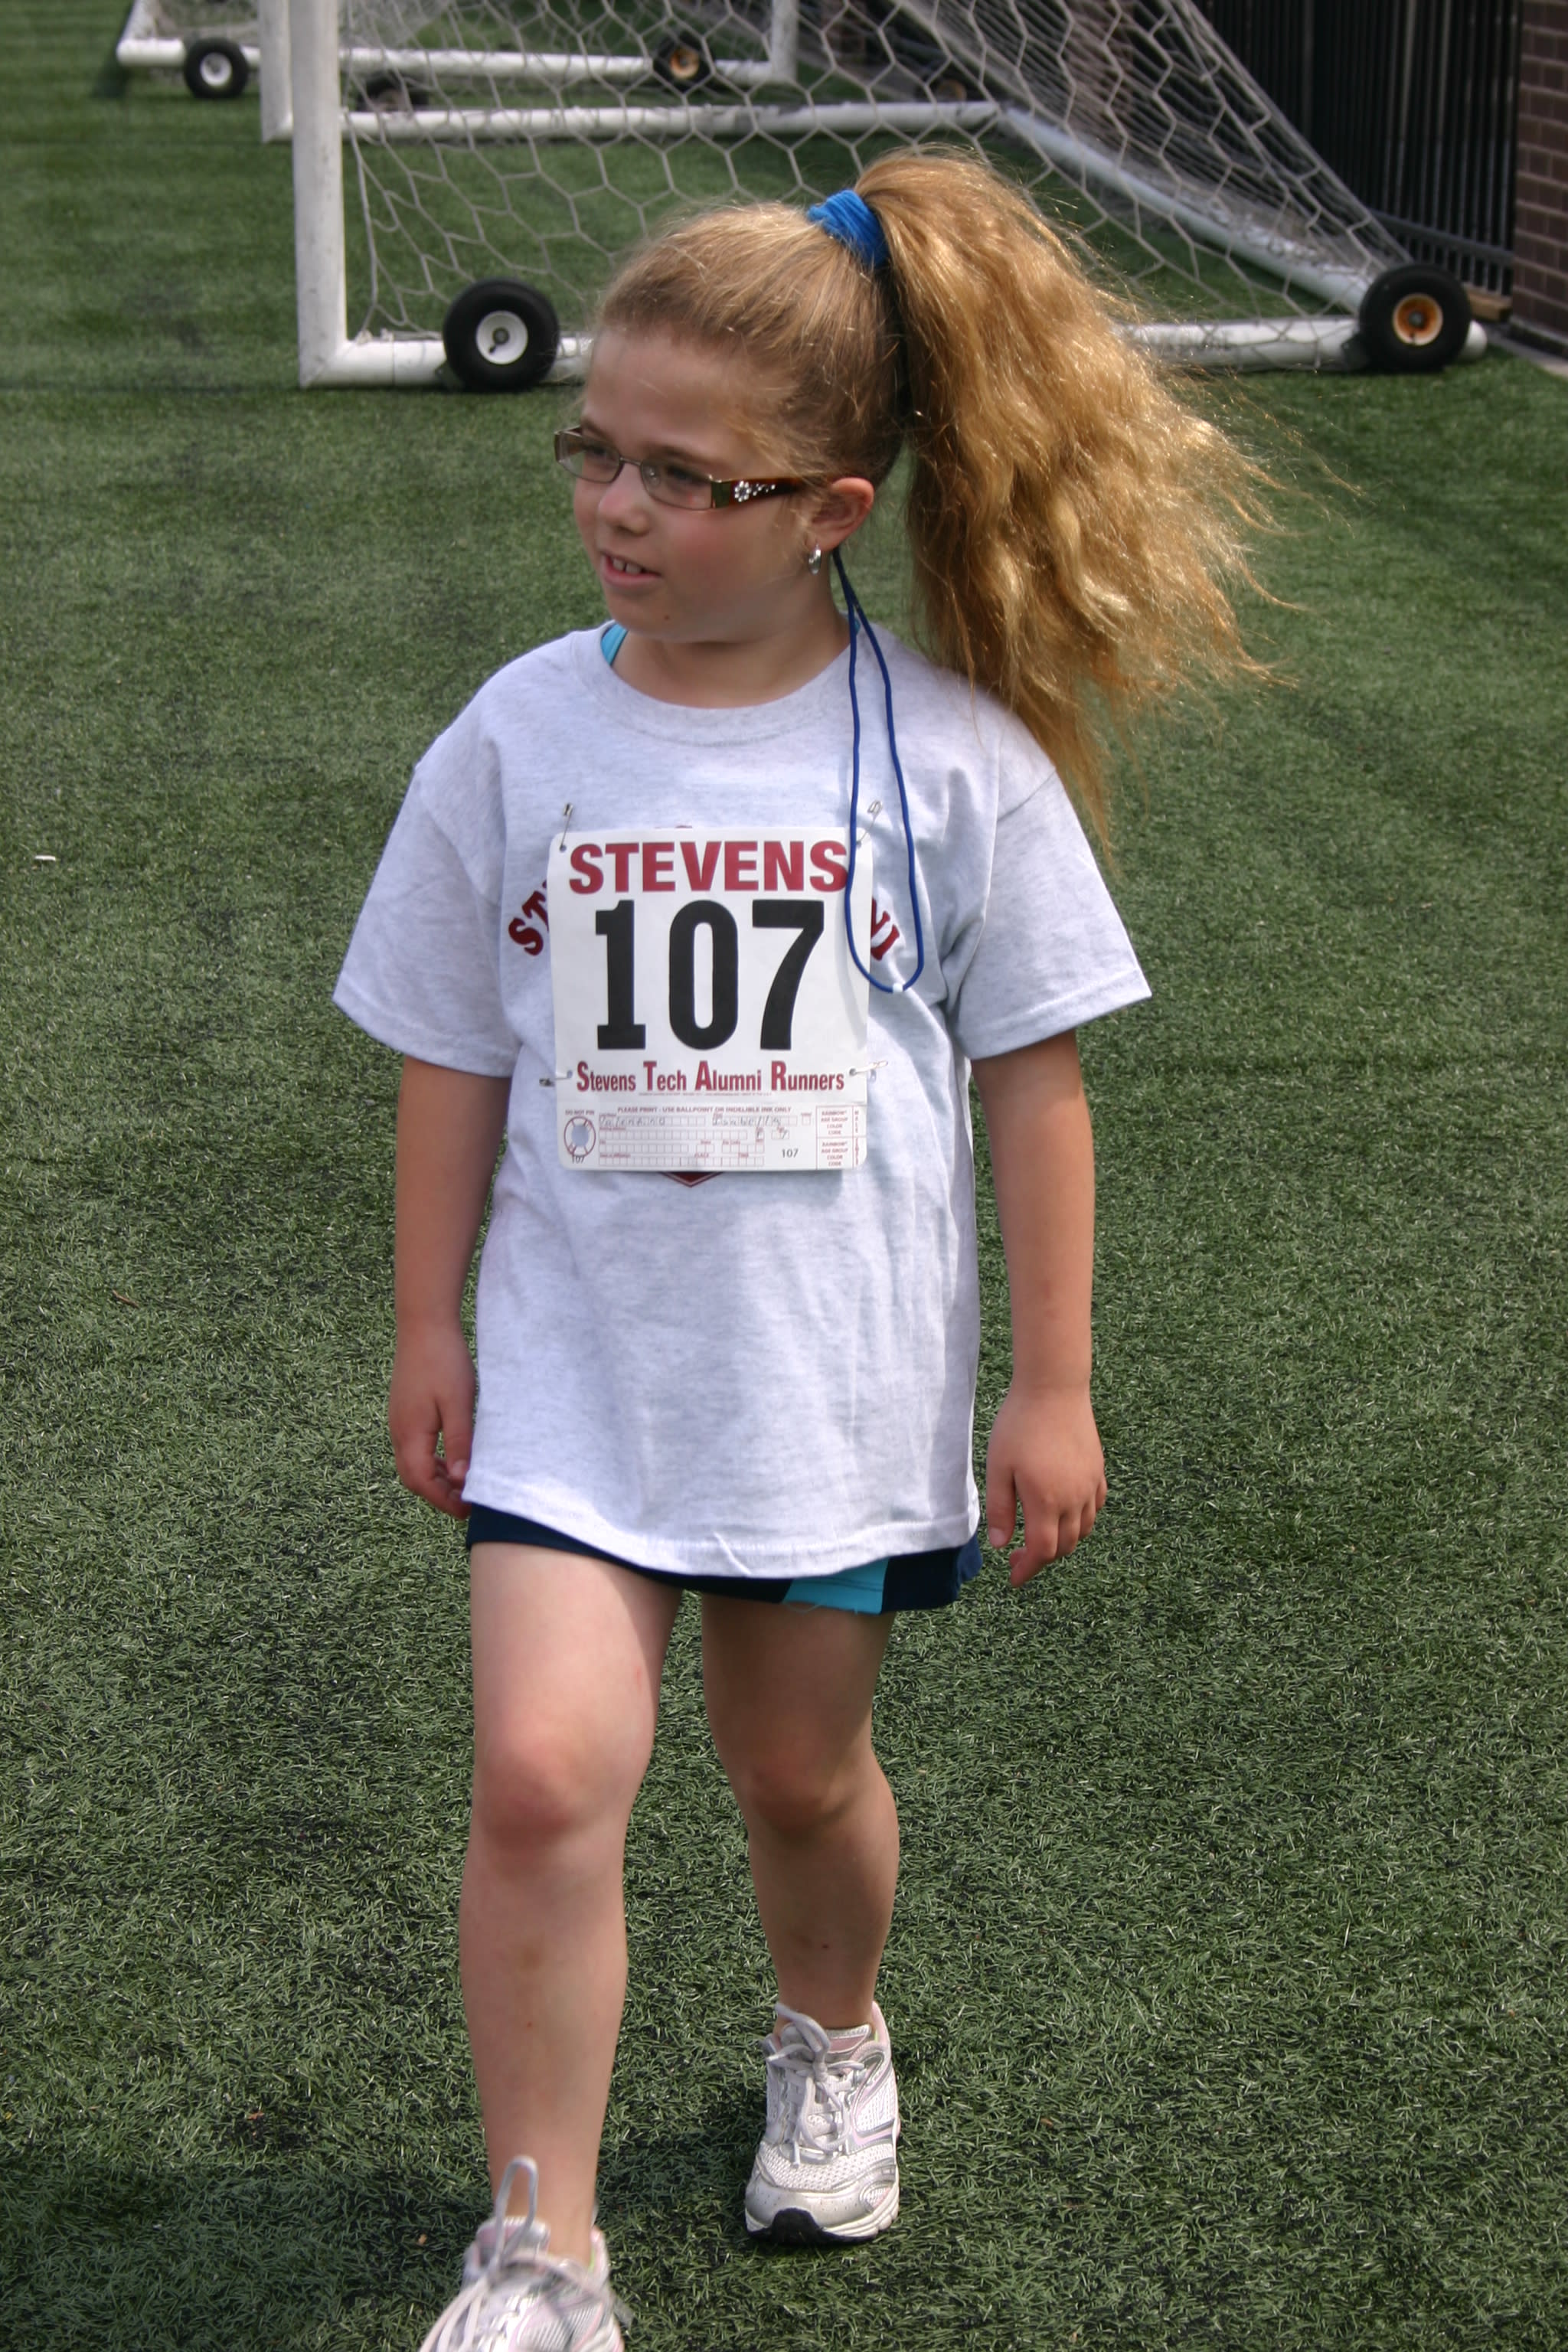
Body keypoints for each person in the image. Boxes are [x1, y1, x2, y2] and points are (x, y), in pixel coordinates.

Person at [334, 151, 1259, 2352]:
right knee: (549, 1771)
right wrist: (425, 1320)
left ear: (832, 509)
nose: (619, 507)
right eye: (598, 451)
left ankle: (830, 2039)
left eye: (689, 475)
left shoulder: (953, 764)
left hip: (823, 1379)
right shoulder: (518, 732)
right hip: (579, 1366)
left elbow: (1036, 1082)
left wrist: (1050, 1382)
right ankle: (543, 2247)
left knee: (794, 1775)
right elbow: (455, 1050)